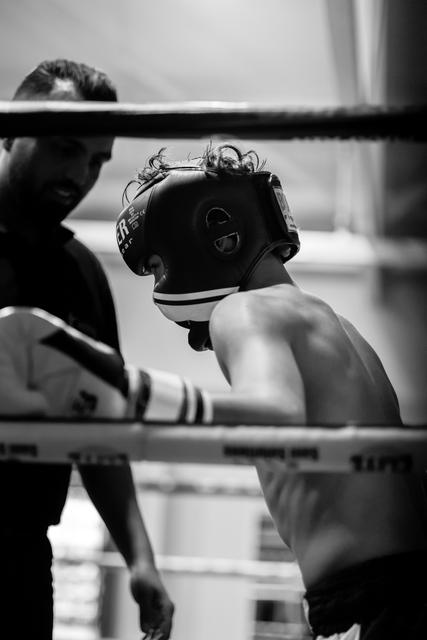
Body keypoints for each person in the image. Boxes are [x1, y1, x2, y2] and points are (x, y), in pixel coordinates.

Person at [115, 143, 427, 639]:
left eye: (155, 266)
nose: (158, 285)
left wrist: (136, 395)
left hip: (372, 600)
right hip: (403, 589)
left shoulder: (240, 312)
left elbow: (277, 412)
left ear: (209, 236)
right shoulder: (340, 327)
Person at [0, 59, 173, 640]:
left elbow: (97, 426)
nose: (79, 174)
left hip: (20, 554)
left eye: (97, 160)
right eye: (65, 147)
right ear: (8, 133)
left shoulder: (81, 276)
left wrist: (140, 558)